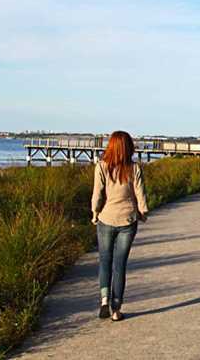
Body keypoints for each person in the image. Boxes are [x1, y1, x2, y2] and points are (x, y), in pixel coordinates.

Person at [91, 130, 148, 322]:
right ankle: (116, 310)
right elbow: (140, 193)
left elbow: (97, 194)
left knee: (105, 261)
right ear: (129, 147)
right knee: (120, 265)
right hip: (128, 220)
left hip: (106, 218)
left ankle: (104, 300)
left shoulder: (102, 166)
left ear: (111, 146)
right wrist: (143, 212)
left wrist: (95, 213)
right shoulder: (134, 168)